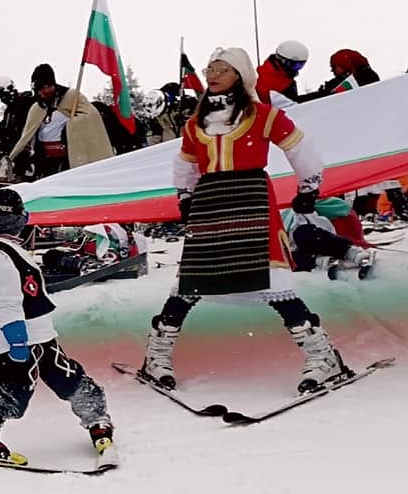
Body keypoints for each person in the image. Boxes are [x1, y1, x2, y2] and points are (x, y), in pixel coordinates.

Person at [137, 47, 353, 393]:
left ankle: (323, 357)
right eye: (211, 68)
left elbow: (302, 149)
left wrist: (309, 186)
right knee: (190, 283)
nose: (213, 74)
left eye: (223, 68)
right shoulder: (197, 123)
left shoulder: (263, 115)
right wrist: (185, 196)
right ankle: (156, 356)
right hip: (210, 203)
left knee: (272, 282)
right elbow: (185, 164)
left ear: (240, 75)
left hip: (250, 198)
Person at [0, 188, 115, 464]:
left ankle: (96, 416)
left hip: (41, 334)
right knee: (15, 392)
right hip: (19, 338)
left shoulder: (11, 249)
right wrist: (16, 340)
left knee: (68, 378)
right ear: (23, 219)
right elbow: (6, 301)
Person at [9, 64, 113, 178]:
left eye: (48, 86)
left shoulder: (71, 97)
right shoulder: (36, 108)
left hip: (70, 158)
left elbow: (92, 117)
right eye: (41, 88)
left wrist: (72, 127)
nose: (45, 91)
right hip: (46, 162)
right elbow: (27, 135)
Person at [257, 40, 309, 104]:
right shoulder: (282, 86)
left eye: (300, 65)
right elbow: (291, 108)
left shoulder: (261, 71)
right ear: (283, 61)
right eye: (295, 65)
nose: (297, 69)